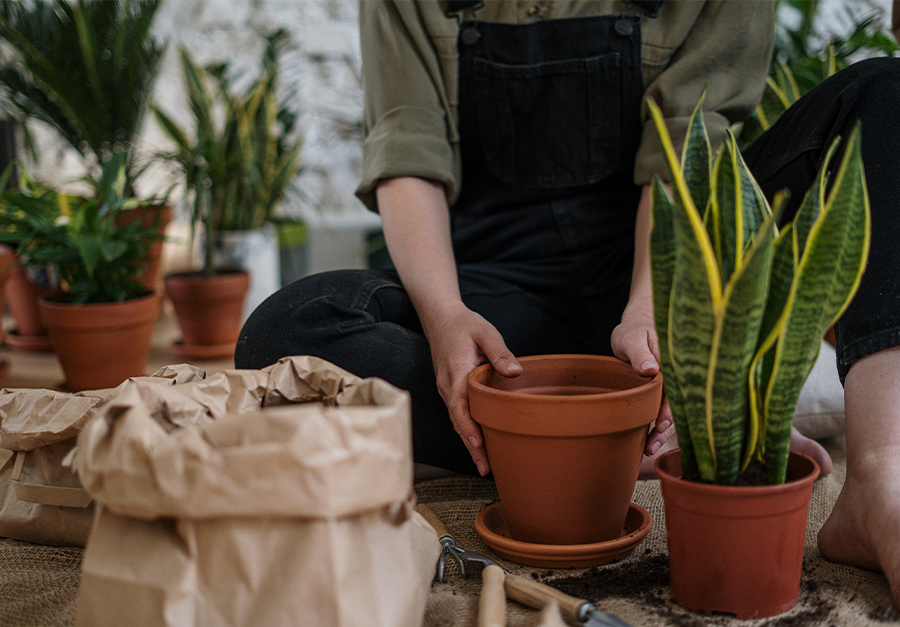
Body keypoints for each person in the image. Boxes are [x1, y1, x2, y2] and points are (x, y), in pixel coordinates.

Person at [235, 0, 900, 607]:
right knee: (287, 330)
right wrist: (445, 317)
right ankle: (624, 433)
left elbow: (687, 148)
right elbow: (408, 150)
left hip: (675, 261)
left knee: (883, 93)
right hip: (496, 293)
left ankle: (879, 476)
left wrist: (650, 310)